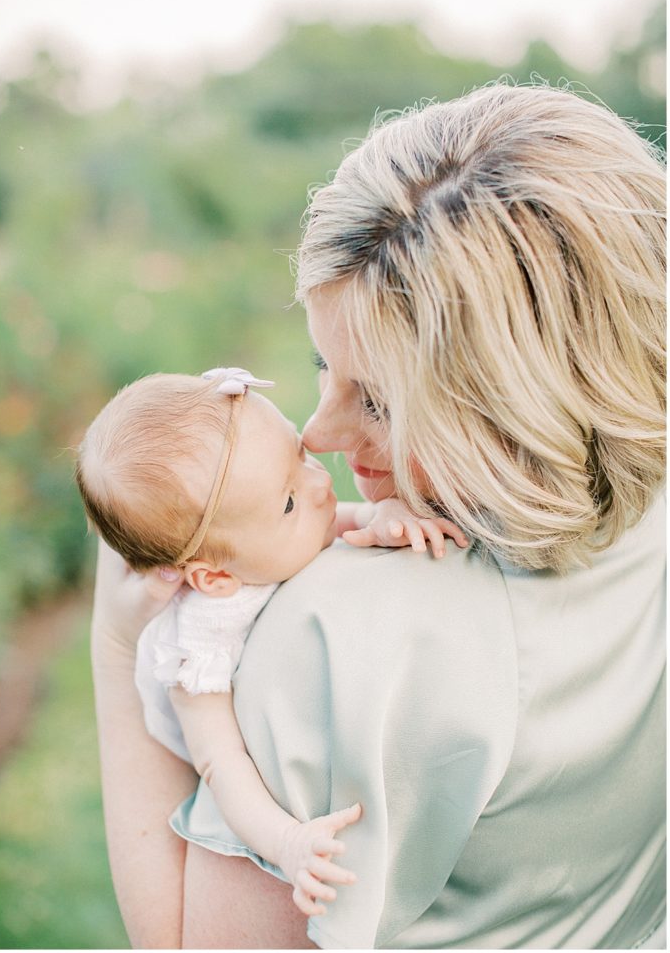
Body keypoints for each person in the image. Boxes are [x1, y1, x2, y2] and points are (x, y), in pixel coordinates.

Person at [90, 83, 665, 949]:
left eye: (384, 404)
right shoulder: (644, 511)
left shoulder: (333, 639)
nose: (317, 435)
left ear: (524, 410)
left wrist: (115, 638)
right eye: (323, 365)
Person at [77, 366, 466, 919]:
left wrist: (382, 519)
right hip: (195, 742)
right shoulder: (201, 645)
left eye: (299, 456)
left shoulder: (264, 537)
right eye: (287, 500)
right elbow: (222, 766)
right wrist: (287, 843)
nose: (319, 484)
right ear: (215, 578)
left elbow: (335, 520)